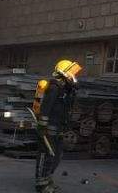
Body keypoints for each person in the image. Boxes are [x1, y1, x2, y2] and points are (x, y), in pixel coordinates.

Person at [34, 59, 82, 193]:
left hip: (59, 129)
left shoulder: (65, 88)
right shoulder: (54, 87)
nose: (73, 75)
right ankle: (41, 185)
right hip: (49, 129)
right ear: (64, 73)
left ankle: (47, 179)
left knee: (56, 157)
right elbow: (46, 107)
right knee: (46, 156)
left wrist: (74, 83)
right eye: (71, 73)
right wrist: (42, 126)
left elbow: (76, 90)